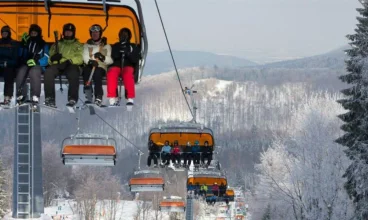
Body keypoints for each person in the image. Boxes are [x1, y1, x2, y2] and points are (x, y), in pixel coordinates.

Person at [44, 23, 83, 108]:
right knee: (49, 72)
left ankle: (72, 98)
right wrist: (53, 58)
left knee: (74, 73)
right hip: (58, 64)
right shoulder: (57, 44)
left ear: (73, 33)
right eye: (66, 32)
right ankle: (49, 98)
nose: (68, 33)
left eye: (70, 32)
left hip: (71, 64)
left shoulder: (78, 45)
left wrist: (70, 61)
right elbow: (50, 56)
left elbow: (80, 58)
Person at [16, 24, 49, 105]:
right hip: (27, 64)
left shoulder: (43, 44)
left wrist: (37, 62)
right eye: (32, 33)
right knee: (21, 71)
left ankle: (35, 95)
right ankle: (21, 94)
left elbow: (46, 58)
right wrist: (22, 44)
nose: (33, 34)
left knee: (34, 71)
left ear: (38, 34)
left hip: (38, 65)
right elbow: (20, 55)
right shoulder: (27, 43)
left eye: (35, 33)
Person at [107, 27, 139, 106]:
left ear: (129, 36)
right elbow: (113, 56)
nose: (124, 36)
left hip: (127, 65)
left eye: (126, 34)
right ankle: (112, 97)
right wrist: (119, 51)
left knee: (128, 74)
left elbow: (135, 59)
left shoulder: (133, 46)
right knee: (111, 73)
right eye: (122, 34)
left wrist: (128, 53)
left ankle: (130, 97)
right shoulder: (116, 46)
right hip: (117, 65)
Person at [82, 24, 112, 106]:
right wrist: (90, 61)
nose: (95, 34)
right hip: (90, 65)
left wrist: (103, 57)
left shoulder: (106, 46)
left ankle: (98, 95)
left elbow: (110, 60)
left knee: (97, 73)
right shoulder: (87, 45)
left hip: (100, 66)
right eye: (93, 33)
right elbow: (84, 56)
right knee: (86, 71)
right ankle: (88, 92)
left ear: (100, 34)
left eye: (97, 33)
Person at [0, 25, 19, 106]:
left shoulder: (13, 43)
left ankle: (7, 97)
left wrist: (7, 63)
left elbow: (16, 58)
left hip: (9, 65)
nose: (4, 34)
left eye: (5, 33)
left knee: (9, 75)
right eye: (3, 33)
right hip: (0, 64)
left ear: (9, 33)